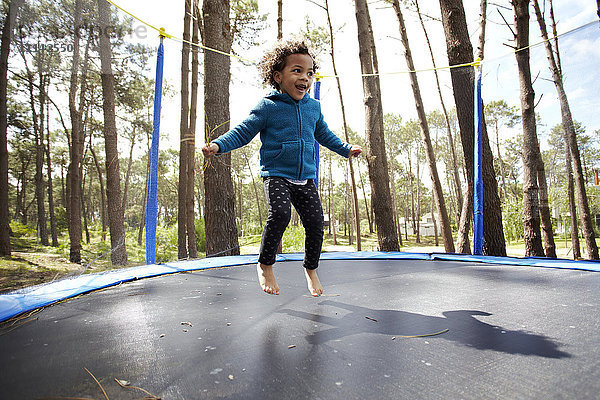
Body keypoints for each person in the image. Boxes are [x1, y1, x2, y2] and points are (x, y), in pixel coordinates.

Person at [202, 39, 362, 297]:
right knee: (279, 214)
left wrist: (345, 148)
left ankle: (311, 269)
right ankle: (265, 264)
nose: (305, 78)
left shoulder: (313, 108)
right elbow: (243, 132)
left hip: (305, 177)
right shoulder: (268, 107)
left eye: (309, 73)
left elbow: (324, 134)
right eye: (297, 70)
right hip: (276, 174)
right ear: (278, 76)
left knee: (315, 224)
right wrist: (218, 145)